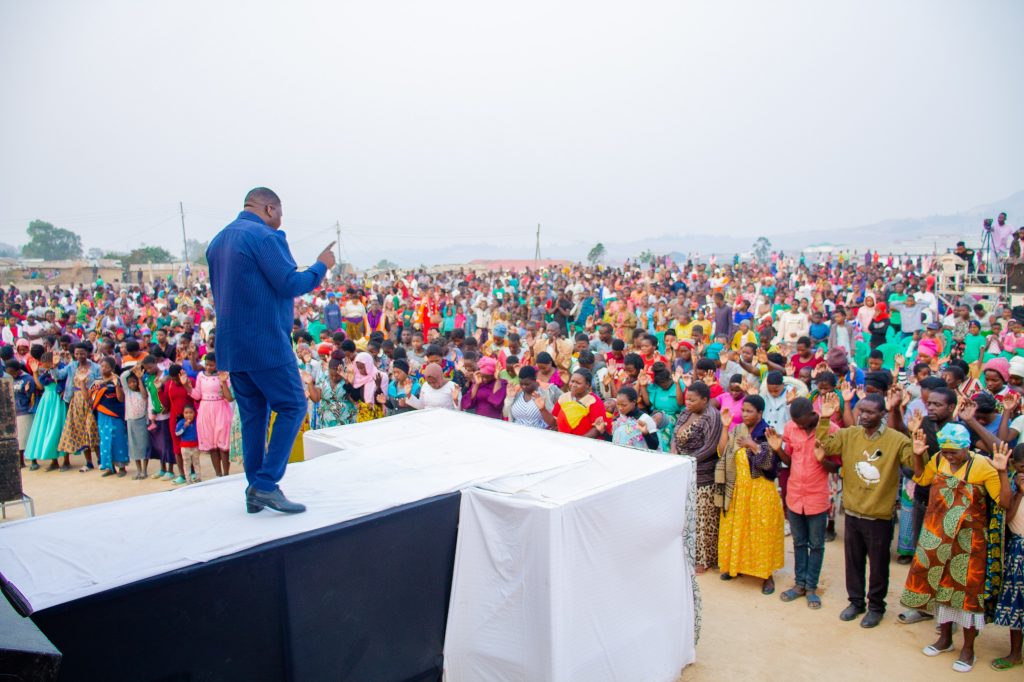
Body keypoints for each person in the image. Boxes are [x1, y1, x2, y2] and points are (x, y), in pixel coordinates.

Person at [207, 187, 334, 514]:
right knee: (293, 404)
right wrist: (321, 265)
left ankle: (254, 490)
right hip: (264, 343)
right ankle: (265, 485)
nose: (280, 220)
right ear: (268, 208)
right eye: (279, 213)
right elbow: (291, 283)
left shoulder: (218, 242)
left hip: (232, 348)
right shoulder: (265, 237)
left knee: (254, 417)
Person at [901, 425, 1011, 674]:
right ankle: (945, 639)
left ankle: (968, 649)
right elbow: (922, 479)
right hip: (939, 537)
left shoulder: (983, 466)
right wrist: (919, 455)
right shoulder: (938, 458)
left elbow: (1004, 502)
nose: (949, 456)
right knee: (941, 587)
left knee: (967, 595)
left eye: (953, 452)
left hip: (969, 542)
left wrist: (1002, 472)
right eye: (946, 451)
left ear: (966, 448)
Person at [817, 392, 914, 628]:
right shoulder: (850, 434)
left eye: (870, 412)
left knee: (879, 565)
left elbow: (913, 465)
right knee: (853, 561)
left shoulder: (896, 440)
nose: (863, 416)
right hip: (852, 511)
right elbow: (825, 446)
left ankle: (876, 607)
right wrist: (824, 419)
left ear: (882, 413)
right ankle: (856, 602)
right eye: (861, 411)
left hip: (879, 515)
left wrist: (913, 436)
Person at [767, 397, 838, 609]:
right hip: (796, 494)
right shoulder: (790, 428)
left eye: (801, 422)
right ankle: (799, 584)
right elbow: (789, 461)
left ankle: (812, 587)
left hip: (817, 496)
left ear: (812, 414)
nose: (797, 425)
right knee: (799, 543)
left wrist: (821, 459)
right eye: (795, 422)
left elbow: (835, 468)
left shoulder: (831, 429)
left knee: (816, 544)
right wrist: (778, 449)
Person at [715, 394, 784, 594]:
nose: (745, 414)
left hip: (761, 490)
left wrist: (753, 446)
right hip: (739, 489)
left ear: (760, 413)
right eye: (743, 410)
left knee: (761, 532)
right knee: (739, 529)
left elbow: (771, 467)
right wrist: (726, 427)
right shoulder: (738, 430)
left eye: (749, 411)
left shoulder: (767, 432)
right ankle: (734, 567)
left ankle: (766, 576)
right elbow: (722, 452)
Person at [671, 380, 724, 574]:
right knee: (687, 516)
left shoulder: (712, 417)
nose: (688, 403)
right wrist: (674, 451)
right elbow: (675, 435)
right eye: (687, 399)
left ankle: (704, 558)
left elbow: (710, 447)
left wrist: (688, 461)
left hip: (702, 474)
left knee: (703, 518)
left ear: (705, 400)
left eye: (693, 400)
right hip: (683, 470)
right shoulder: (686, 413)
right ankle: (688, 553)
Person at [992, 443, 1024, 671]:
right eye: (1023, 468)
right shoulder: (1012, 486)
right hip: (1018, 552)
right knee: (1016, 605)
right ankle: (1015, 654)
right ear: (1014, 466)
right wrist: (1020, 493)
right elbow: (1009, 518)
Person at [190, 351, 234, 477]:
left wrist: (224, 382)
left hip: (221, 409)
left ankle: (226, 473)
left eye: (212, 365)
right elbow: (197, 395)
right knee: (212, 446)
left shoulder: (224, 375)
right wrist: (187, 386)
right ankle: (218, 474)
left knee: (223, 445)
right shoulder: (201, 376)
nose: (208, 368)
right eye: (207, 365)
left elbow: (229, 398)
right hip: (205, 410)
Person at [24, 352, 66, 471]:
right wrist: (35, 372)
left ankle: (65, 460)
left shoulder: (60, 368)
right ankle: (54, 460)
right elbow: (40, 387)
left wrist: (54, 368)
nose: (42, 364)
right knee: (47, 427)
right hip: (46, 399)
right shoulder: (44, 371)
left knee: (58, 427)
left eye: (45, 362)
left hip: (57, 398)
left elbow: (60, 382)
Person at [93, 356, 128, 478]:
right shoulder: (97, 381)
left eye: (106, 367)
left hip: (115, 413)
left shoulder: (116, 379)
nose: (103, 369)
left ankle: (122, 467)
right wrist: (81, 383)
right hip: (102, 414)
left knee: (118, 439)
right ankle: (109, 467)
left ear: (112, 368)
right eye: (101, 366)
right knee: (105, 440)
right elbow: (90, 398)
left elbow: (121, 398)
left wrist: (116, 385)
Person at [175, 404, 202, 484]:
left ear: (194, 413)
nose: (188, 415)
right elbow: (177, 433)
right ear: (183, 414)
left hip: (195, 446)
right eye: (186, 413)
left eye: (191, 412)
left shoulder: (197, 421)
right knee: (186, 464)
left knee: (196, 462)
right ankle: (188, 479)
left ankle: (198, 478)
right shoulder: (181, 423)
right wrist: (184, 427)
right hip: (185, 447)